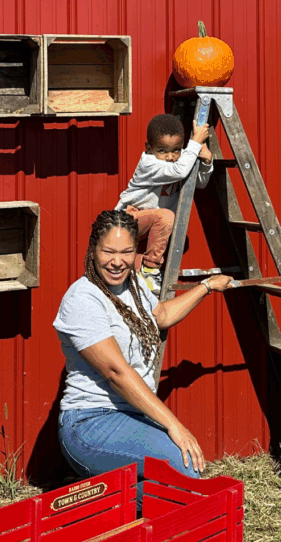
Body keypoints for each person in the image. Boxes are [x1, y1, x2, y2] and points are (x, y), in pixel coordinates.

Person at [54, 210, 235, 505]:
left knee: (180, 474)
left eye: (127, 252)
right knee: (182, 466)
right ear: (93, 250)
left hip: (129, 417)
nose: (117, 261)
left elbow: (160, 315)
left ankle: (110, 498)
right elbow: (116, 372)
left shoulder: (133, 285)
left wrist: (206, 287)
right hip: (89, 423)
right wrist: (175, 424)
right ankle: (99, 509)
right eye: (108, 251)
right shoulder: (83, 299)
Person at [116, 114, 213, 293]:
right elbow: (180, 171)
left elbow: (199, 182)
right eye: (162, 150)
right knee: (167, 216)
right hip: (127, 219)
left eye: (176, 149)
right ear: (149, 148)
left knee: (129, 277)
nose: (170, 156)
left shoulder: (184, 157)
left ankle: (143, 272)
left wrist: (206, 162)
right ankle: (151, 270)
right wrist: (196, 142)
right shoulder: (148, 162)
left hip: (149, 225)